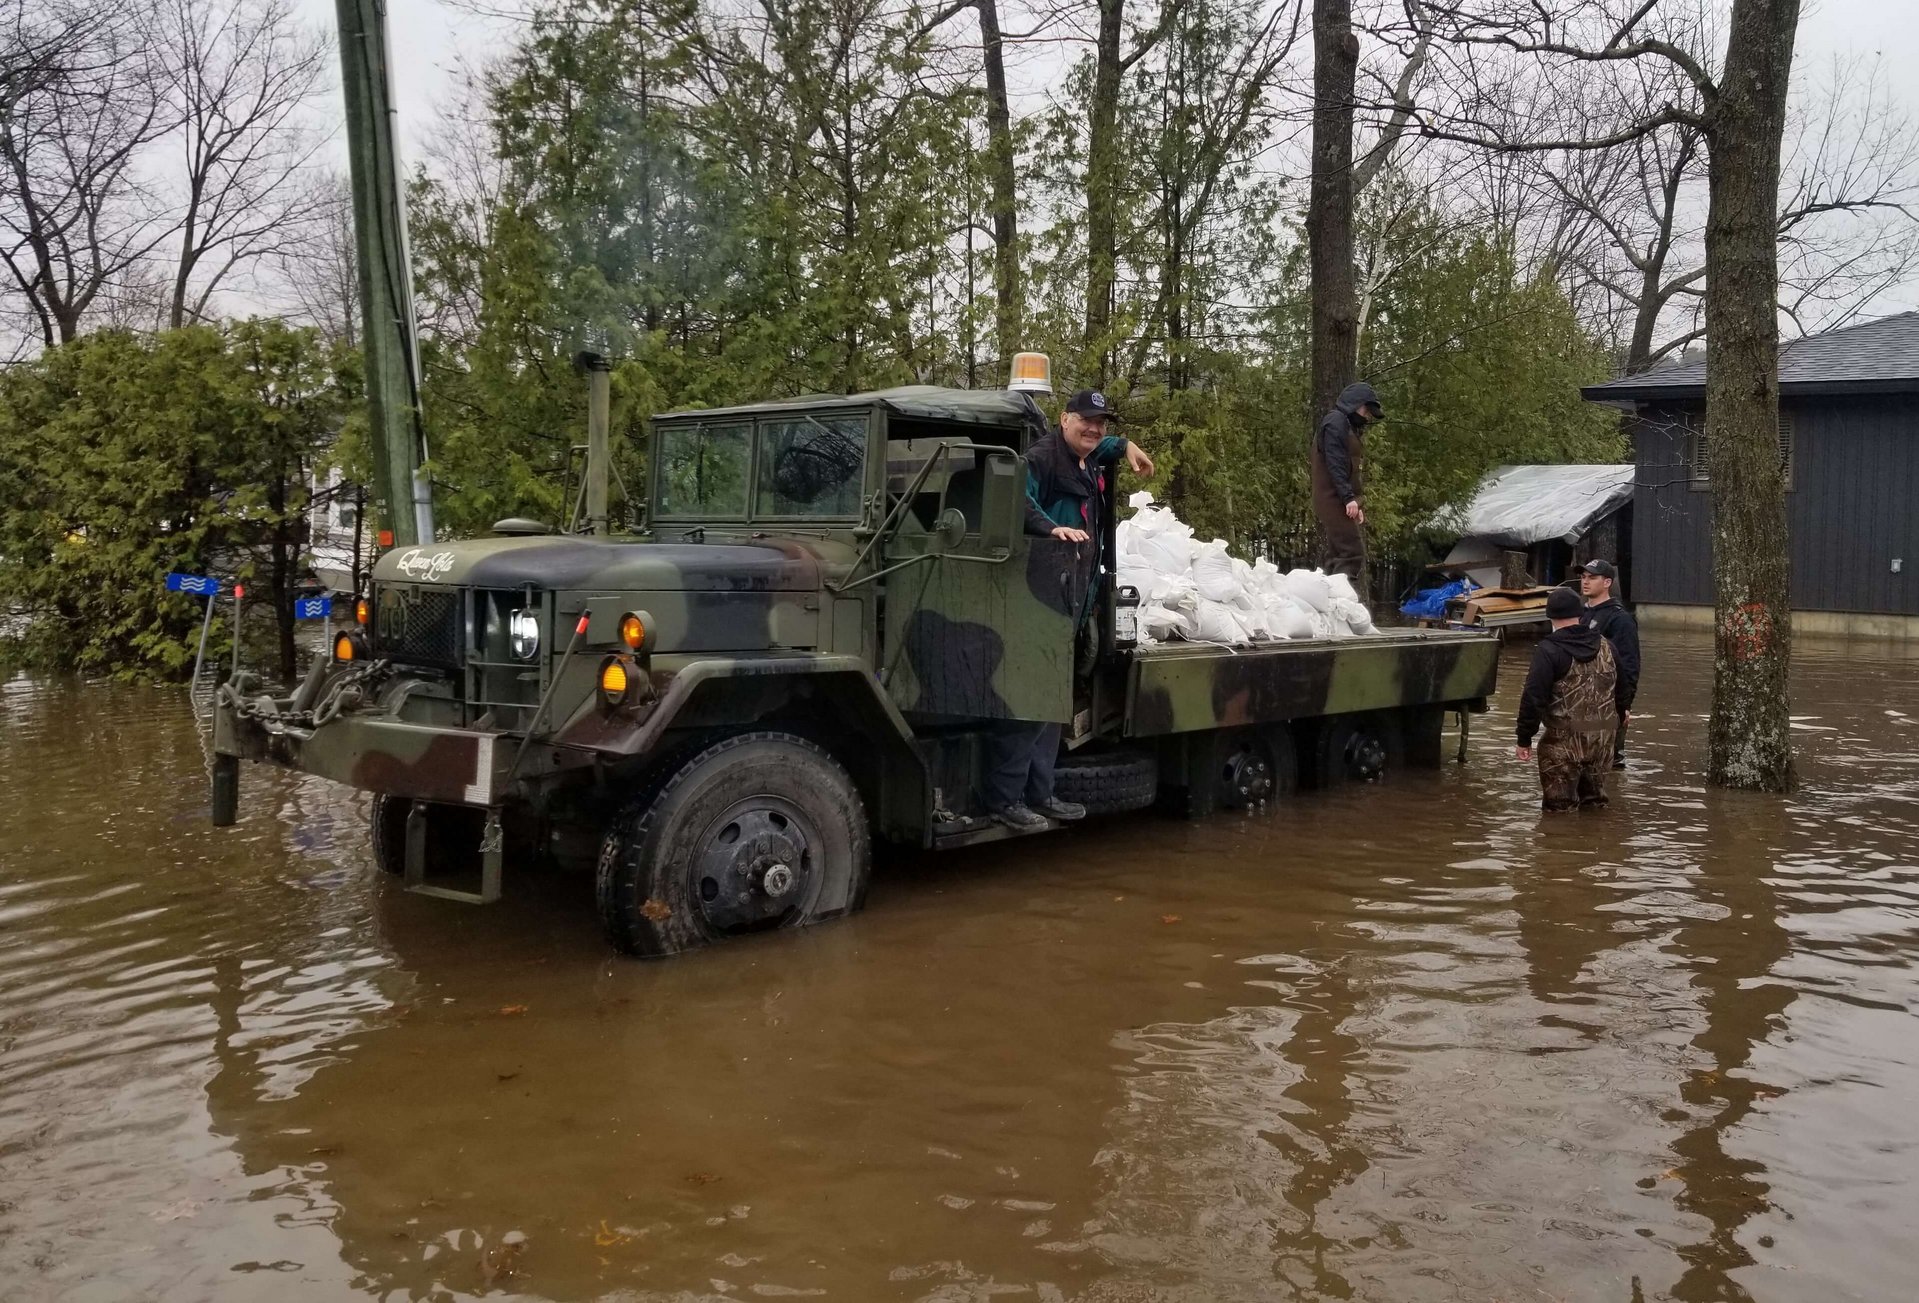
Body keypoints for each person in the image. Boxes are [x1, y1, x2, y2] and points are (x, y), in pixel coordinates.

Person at [984, 388, 1156, 831]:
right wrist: (1051, 528)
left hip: (1070, 600)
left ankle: (1040, 794)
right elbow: (1016, 500)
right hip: (1034, 599)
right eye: (1086, 420)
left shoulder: (1090, 455)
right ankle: (1005, 799)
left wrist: (1128, 447)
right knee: (1025, 705)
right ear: (1064, 419)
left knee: (1052, 705)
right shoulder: (1042, 457)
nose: (1094, 429)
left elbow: (1107, 446)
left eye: (1101, 423)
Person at [1515, 587, 1618, 811]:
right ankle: (1601, 843)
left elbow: (1534, 697)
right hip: (1602, 740)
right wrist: (1624, 710)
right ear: (1580, 613)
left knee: (1558, 811)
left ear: (1550, 616)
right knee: (1595, 806)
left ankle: (1562, 844)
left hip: (1563, 742)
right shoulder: (1606, 645)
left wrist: (1524, 738)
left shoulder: (1549, 650)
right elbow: (1624, 683)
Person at [1310, 382, 1383, 581]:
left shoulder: (1346, 425)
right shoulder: (1335, 422)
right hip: (1332, 498)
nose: (1367, 416)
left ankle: (1328, 600)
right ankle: (1340, 602)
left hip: (1339, 498)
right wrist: (1349, 498)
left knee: (1337, 554)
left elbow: (1350, 470)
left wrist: (1356, 502)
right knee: (1351, 552)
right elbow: (1335, 464)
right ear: (1355, 404)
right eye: (1367, 411)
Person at [1577, 559, 1639, 770]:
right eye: (1583, 577)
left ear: (1607, 583)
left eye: (1592, 578)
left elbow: (1629, 663)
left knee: (1610, 761)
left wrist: (1626, 705)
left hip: (1609, 701)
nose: (1585, 582)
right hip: (1580, 699)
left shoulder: (1620, 619)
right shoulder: (1580, 615)